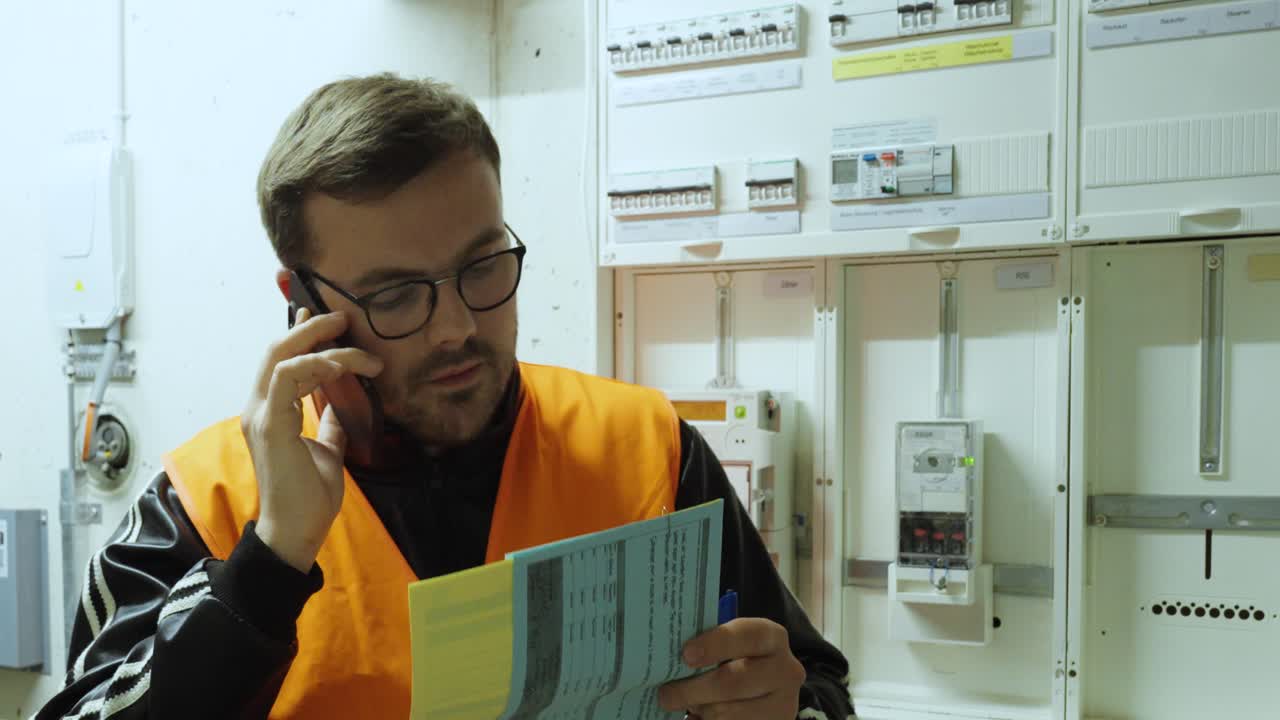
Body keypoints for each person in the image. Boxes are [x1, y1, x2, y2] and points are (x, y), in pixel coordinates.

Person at [36, 73, 853, 720]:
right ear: (303, 302)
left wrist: (785, 707)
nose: (458, 328)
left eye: (483, 265)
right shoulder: (201, 503)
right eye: (395, 295)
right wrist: (267, 567)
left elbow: (814, 685)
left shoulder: (649, 450)